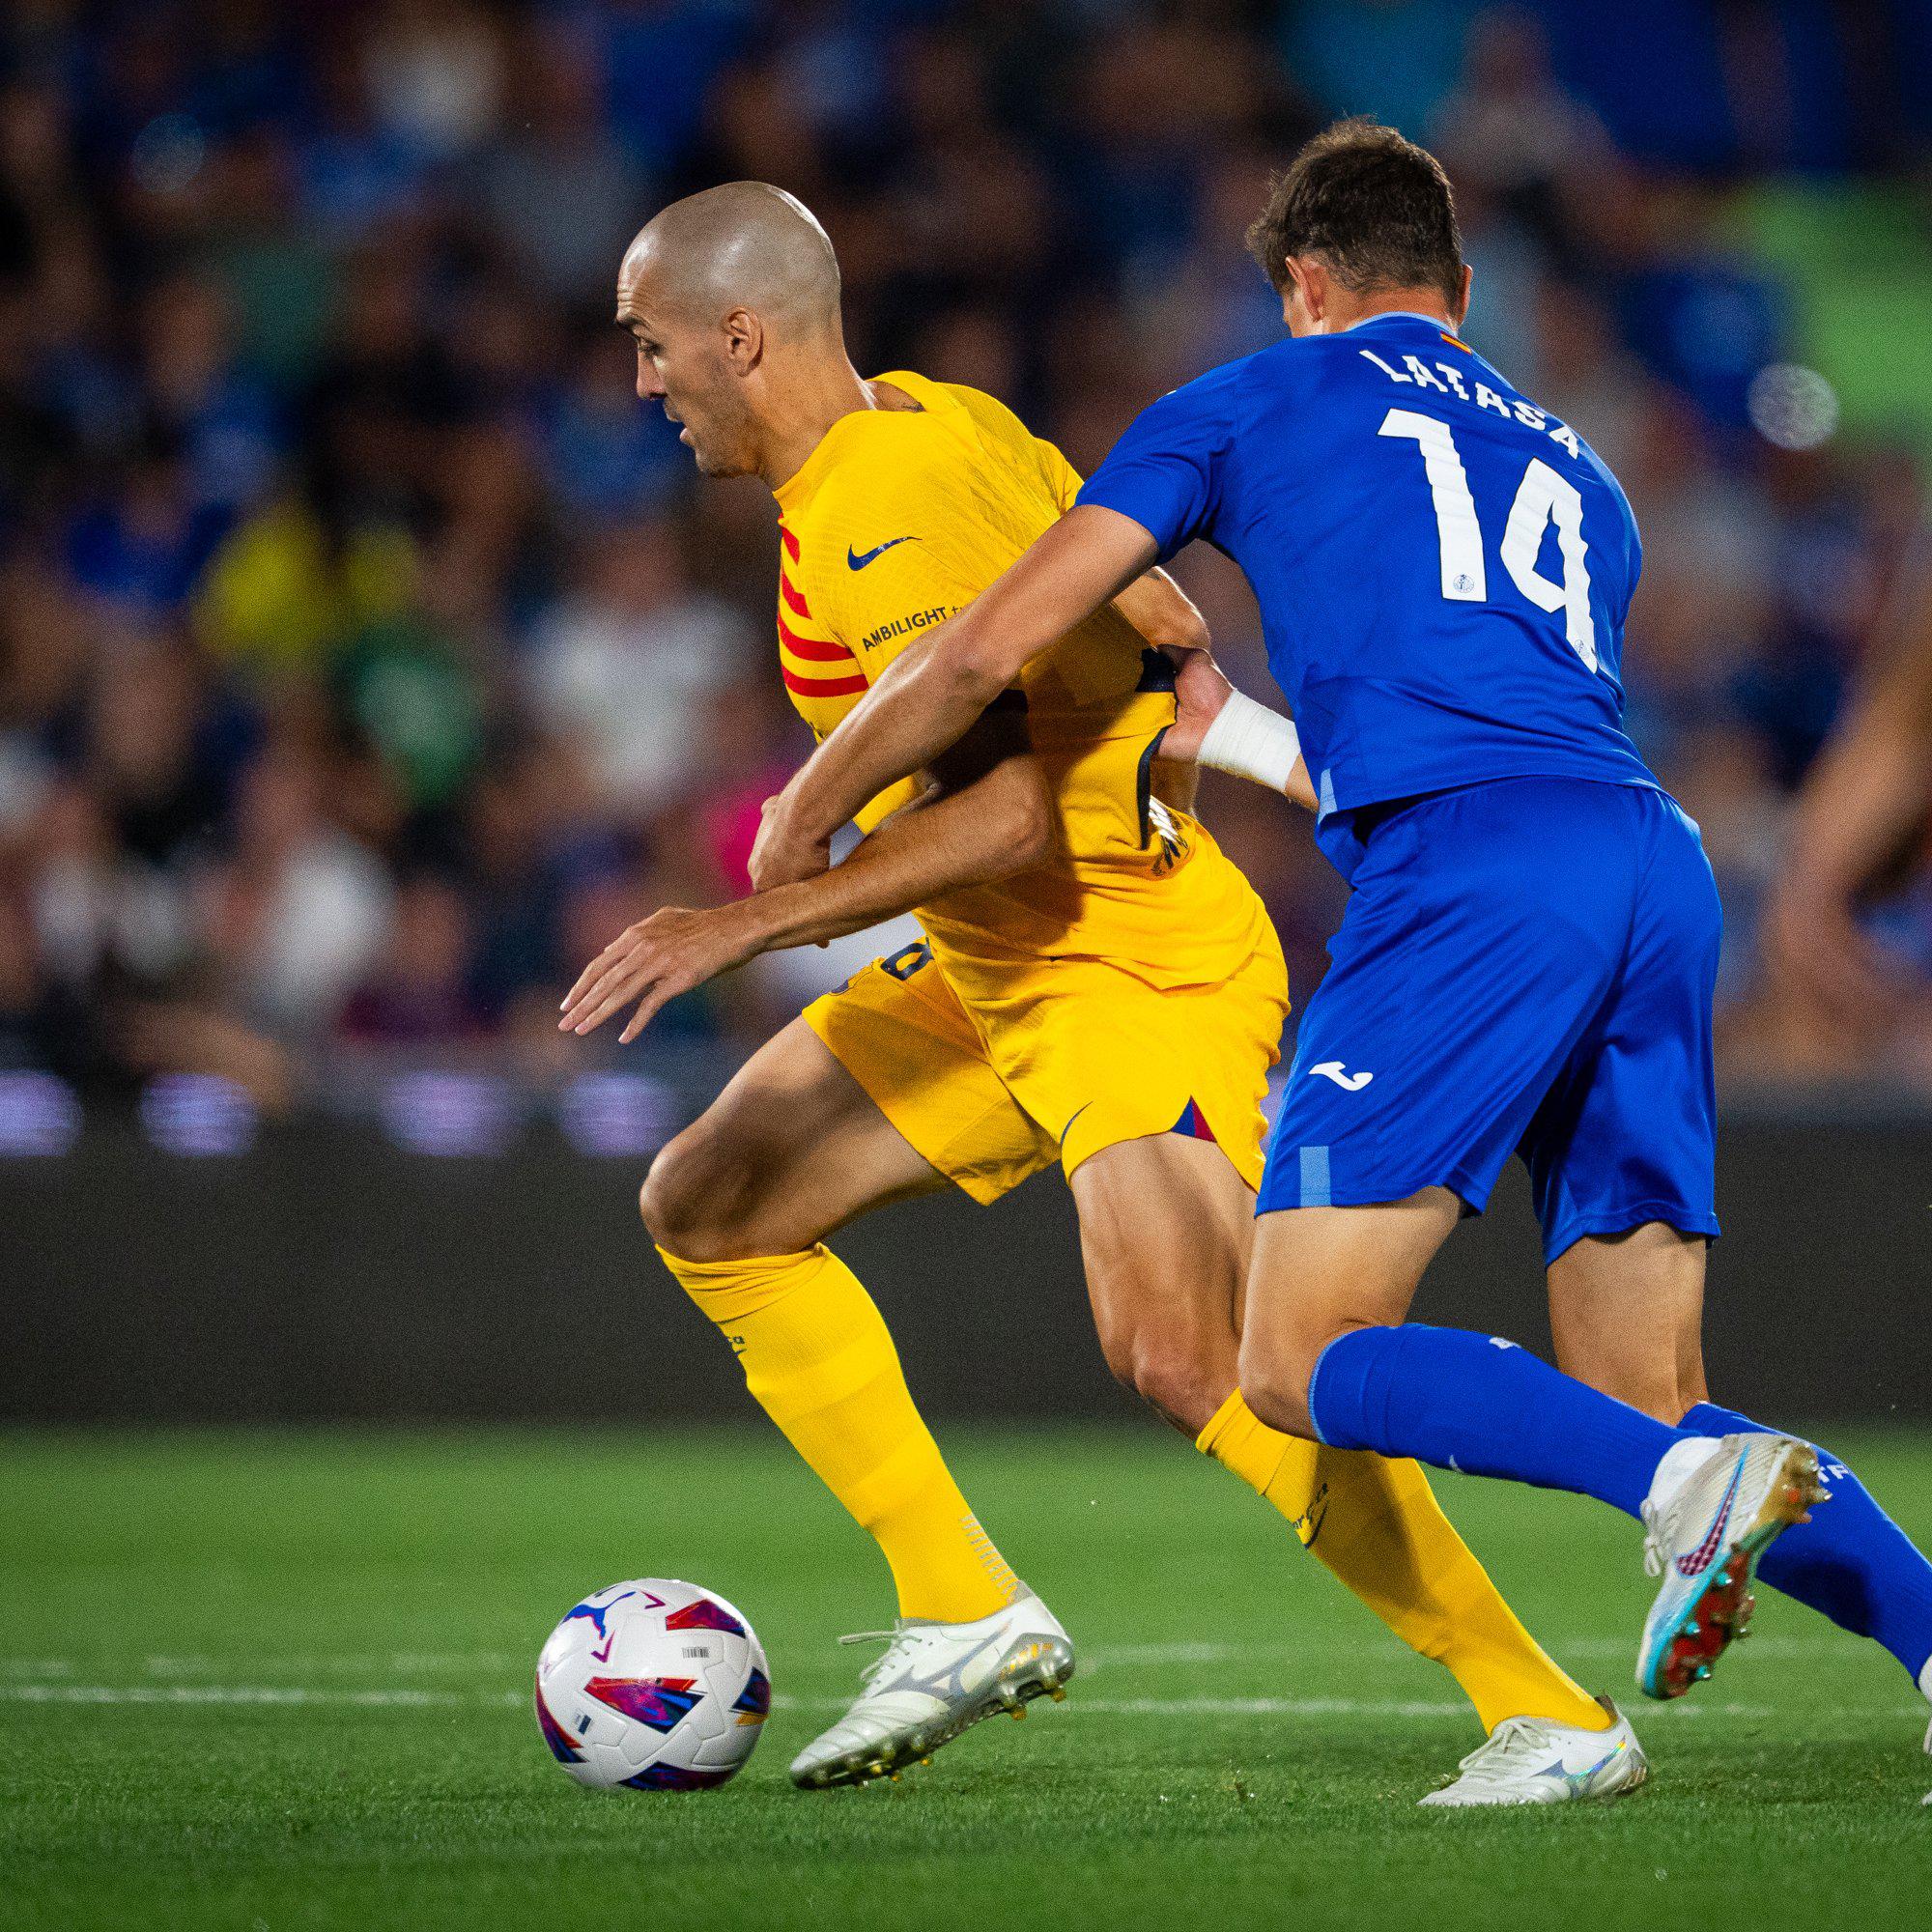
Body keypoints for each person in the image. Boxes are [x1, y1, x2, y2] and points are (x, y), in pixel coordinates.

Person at [748, 123, 1932, 1790]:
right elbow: (1466, 709)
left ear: (1304, 285)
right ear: (1456, 292)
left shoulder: (1245, 402)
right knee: (1647, 1398)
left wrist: (805, 814)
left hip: (1470, 878)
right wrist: (1230, 735)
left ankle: (1672, 1511)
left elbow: (983, 651)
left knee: (1293, 1361)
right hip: (1647, 866)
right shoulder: (1581, 478)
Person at [561, 180, 1650, 1804]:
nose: (643, 383)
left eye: (654, 346)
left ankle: (1548, 1708)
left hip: (1123, 960)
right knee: (712, 1200)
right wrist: (1163, 689)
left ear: (740, 333)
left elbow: (1001, 807)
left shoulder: (881, 501)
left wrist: (756, 918)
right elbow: (1141, 590)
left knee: (1194, 1355)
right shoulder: (937, 420)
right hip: (1004, 963)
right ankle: (961, 1601)